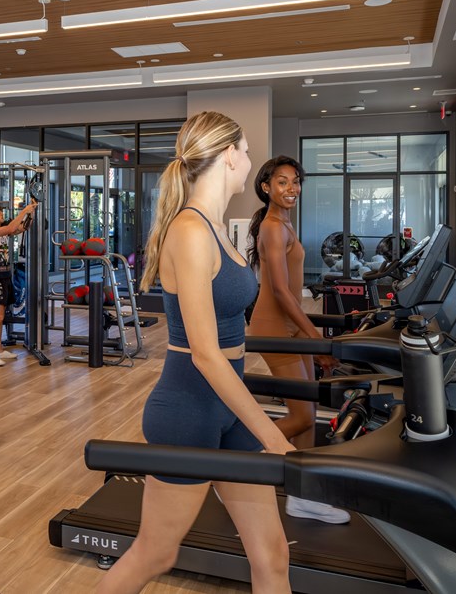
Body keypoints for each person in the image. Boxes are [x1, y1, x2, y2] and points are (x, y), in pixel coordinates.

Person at [98, 111, 294, 594]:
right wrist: (274, 435)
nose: (250, 161)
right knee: (156, 553)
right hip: (187, 409)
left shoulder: (216, 227)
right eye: (246, 151)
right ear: (229, 155)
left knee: (273, 555)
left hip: (229, 407)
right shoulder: (189, 231)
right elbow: (206, 354)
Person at [245, 156, 350, 524]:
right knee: (302, 414)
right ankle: (238, 469)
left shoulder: (285, 223)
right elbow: (279, 291)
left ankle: (302, 495)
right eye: (282, 182)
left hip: (290, 327)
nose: (291, 189)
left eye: (296, 182)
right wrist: (316, 338)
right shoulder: (273, 228)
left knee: (305, 415)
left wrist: (310, 333)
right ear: (266, 188)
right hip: (274, 328)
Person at [0, 199, 38, 366]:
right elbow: (12, 227)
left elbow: (22, 228)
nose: (1, 214)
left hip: (5, 276)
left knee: (2, 315)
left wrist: (31, 214)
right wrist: (24, 210)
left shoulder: (1, 232)